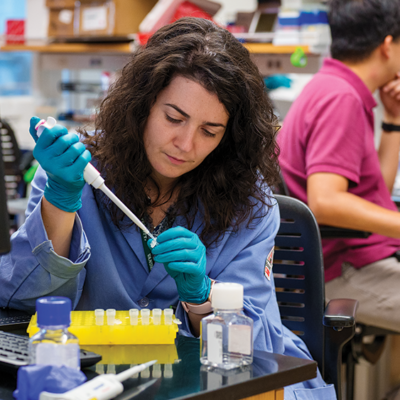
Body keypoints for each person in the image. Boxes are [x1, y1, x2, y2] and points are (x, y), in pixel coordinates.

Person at [0, 18, 335, 398]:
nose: (185, 144)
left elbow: (256, 351)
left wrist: (204, 299)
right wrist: (60, 202)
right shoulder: (74, 171)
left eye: (209, 131)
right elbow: (21, 306)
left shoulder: (249, 205)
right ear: (142, 105)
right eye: (174, 118)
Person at [278, 0, 400, 332]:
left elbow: (375, 197)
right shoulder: (341, 98)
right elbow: (327, 202)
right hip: (344, 269)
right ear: (388, 46)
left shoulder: (331, 86)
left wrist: (393, 120)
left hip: (355, 261)